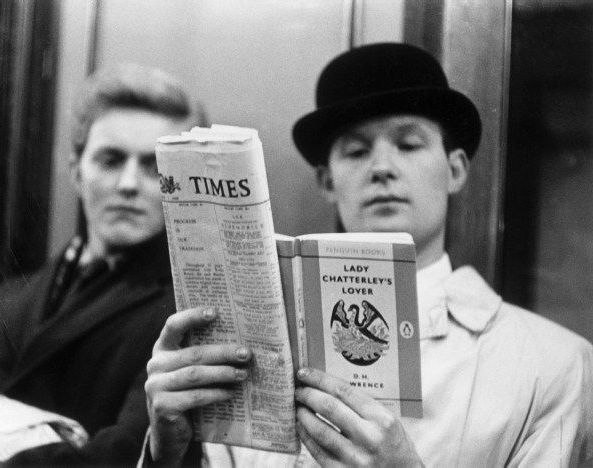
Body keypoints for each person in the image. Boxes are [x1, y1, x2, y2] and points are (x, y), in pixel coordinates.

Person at [142, 43, 593, 466]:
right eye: (357, 151)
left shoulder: (553, 366)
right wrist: (167, 456)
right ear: (326, 182)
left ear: (455, 170)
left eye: (409, 144)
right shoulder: (248, 352)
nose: (381, 168)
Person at [0, 63, 205, 465]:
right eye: (110, 160)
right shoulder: (8, 299)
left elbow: (128, 453)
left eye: (154, 167)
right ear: (76, 171)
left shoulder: (186, 311)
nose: (128, 184)